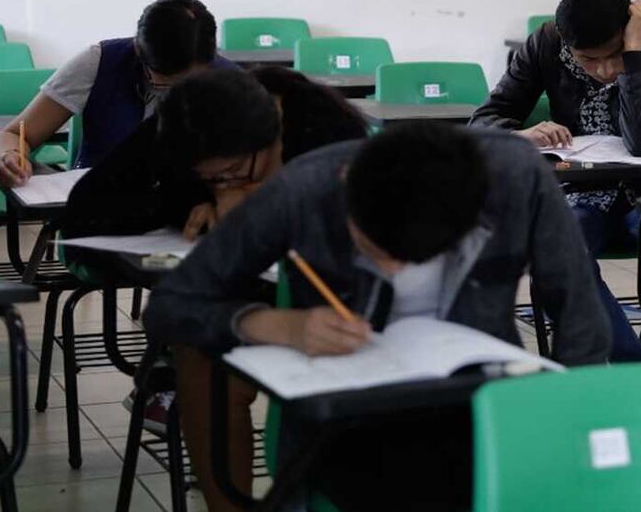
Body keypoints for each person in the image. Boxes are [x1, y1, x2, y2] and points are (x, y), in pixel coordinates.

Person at [142, 123, 610, 510]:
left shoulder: (517, 178)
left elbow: (579, 315)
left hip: (477, 402)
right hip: (347, 415)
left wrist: (567, 430)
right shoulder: (305, 189)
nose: (393, 271)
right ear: (347, 182)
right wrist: (275, 325)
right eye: (374, 252)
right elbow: (172, 305)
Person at [63, 68, 367, 512]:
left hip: (331, 293)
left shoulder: (325, 127)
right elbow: (86, 209)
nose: (226, 188)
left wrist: (273, 207)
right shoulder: (190, 122)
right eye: (212, 178)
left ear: (272, 134)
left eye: (235, 172)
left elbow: (373, 227)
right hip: (239, 296)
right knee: (202, 358)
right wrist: (189, 203)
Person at [470, 0, 641, 363]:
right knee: (561, 253)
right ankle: (634, 368)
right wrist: (521, 134)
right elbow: (483, 121)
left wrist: (635, 55)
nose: (605, 70)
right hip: (579, 191)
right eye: (589, 60)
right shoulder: (546, 45)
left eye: (615, 56)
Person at [0, 0, 237, 188]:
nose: (168, 93)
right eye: (159, 83)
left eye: (184, 82)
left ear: (210, 58)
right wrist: (10, 156)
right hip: (104, 212)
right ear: (138, 49)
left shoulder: (232, 84)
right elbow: (13, 134)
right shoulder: (100, 62)